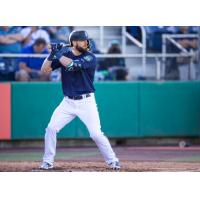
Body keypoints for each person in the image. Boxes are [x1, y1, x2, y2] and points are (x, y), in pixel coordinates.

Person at [39, 30, 120, 170]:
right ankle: (47, 161)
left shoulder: (90, 57)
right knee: (51, 128)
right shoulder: (64, 55)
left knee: (95, 134)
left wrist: (58, 54)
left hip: (86, 101)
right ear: (74, 43)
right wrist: (52, 55)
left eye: (86, 40)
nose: (86, 43)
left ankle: (112, 160)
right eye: (83, 40)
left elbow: (72, 66)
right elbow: (44, 70)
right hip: (68, 102)